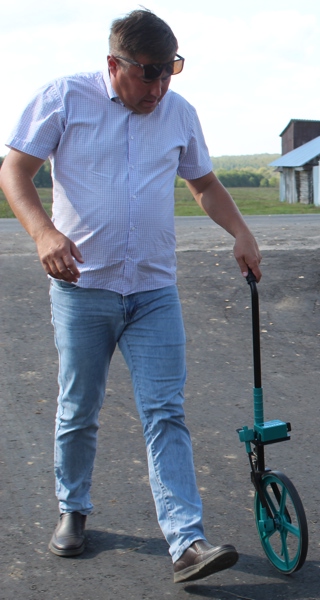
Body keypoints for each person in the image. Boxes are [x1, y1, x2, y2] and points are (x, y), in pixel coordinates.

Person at [0, 9, 261, 583]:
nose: (158, 88)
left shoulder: (178, 112)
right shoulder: (64, 99)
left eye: (169, 74)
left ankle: (187, 543)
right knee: (78, 410)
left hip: (152, 291)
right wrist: (44, 232)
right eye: (148, 75)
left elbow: (204, 183)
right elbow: (14, 170)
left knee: (166, 412)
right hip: (82, 289)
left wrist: (240, 230)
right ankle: (74, 508)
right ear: (113, 64)